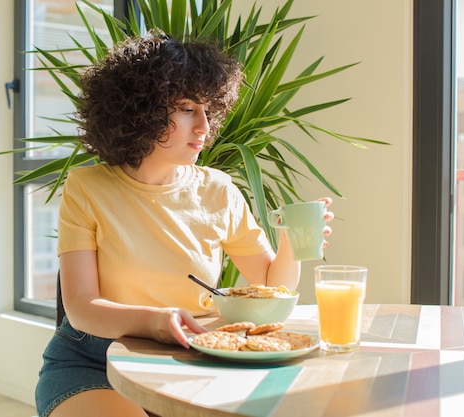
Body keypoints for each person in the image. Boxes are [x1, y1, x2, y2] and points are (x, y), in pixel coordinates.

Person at [35, 31, 333, 417]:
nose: (204, 126)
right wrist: (156, 321)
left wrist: (293, 241)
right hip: (92, 361)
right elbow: (81, 307)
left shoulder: (218, 190)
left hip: (190, 360)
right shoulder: (87, 188)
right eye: (187, 108)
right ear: (141, 110)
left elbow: (271, 287)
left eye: (208, 109)